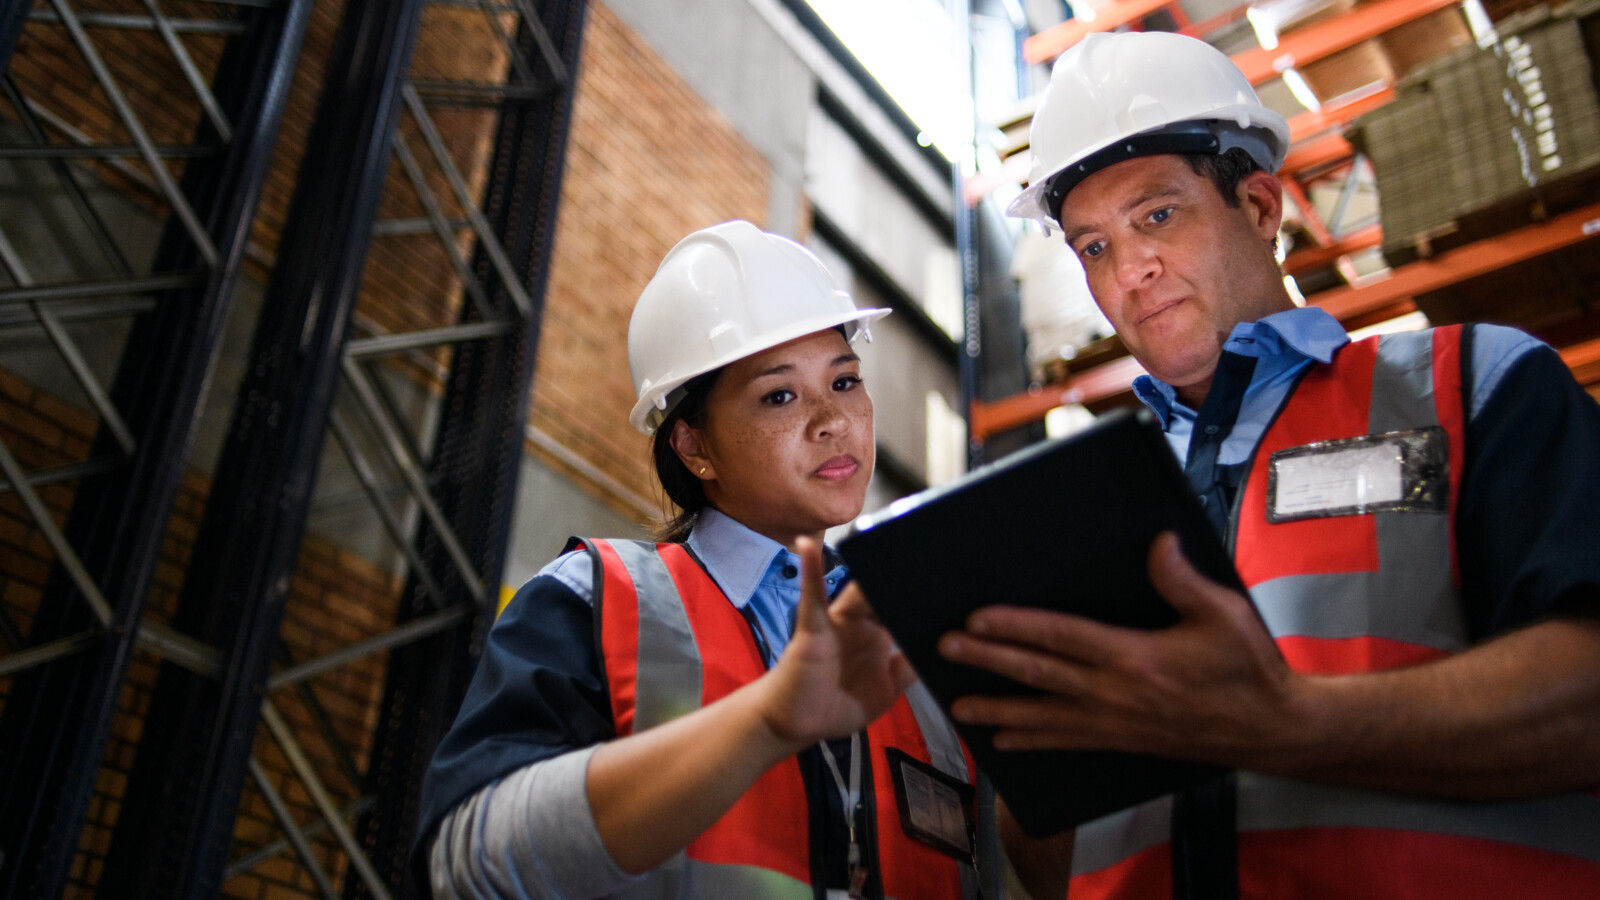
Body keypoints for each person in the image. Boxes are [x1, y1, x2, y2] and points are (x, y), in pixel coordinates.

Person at [938, 30, 1600, 900]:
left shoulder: (1470, 386)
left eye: (1158, 215)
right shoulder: (1076, 507)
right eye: (1093, 246)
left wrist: (1291, 725)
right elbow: (1052, 848)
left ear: (1258, 207)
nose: (1130, 270)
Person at [414, 220, 986, 899]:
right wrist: (764, 721)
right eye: (779, 395)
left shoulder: (918, 634)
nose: (833, 420)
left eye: (844, 381)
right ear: (693, 447)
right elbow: (462, 863)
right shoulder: (599, 599)